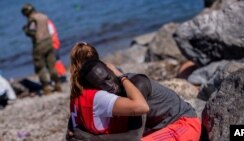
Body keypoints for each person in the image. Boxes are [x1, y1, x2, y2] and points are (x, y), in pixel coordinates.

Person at [67, 42, 201, 141]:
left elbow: (134, 137)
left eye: (108, 78)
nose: (110, 85)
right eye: (102, 85)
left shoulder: (138, 84)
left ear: (112, 70)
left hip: (183, 123)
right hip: (161, 129)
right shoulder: (110, 95)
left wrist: (92, 138)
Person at [21, 3, 62, 94]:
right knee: (51, 64)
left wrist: (25, 30)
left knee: (40, 66)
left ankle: (46, 87)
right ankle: (57, 83)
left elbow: (32, 32)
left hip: (39, 44)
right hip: (49, 41)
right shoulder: (43, 16)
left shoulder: (32, 19)